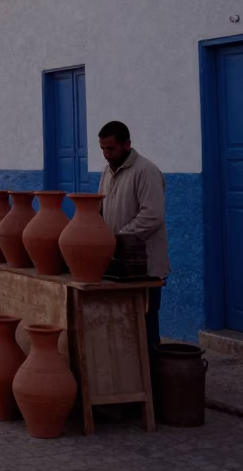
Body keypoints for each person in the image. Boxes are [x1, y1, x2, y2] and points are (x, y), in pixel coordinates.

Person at [97, 120, 168, 354]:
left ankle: (154, 384)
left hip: (144, 268)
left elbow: (152, 216)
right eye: (103, 149)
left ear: (126, 145)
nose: (106, 154)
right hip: (118, 266)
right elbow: (101, 209)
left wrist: (118, 238)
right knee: (123, 332)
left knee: (145, 332)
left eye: (111, 149)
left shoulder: (146, 171)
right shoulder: (107, 171)